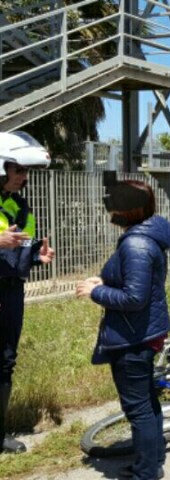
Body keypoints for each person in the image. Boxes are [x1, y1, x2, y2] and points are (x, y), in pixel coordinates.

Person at [76, 177, 170, 480]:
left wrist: (95, 293)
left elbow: (134, 297)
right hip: (143, 330)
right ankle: (152, 459)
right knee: (146, 400)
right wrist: (104, 281)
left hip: (133, 336)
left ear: (128, 210)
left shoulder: (135, 243)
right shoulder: (144, 237)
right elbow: (135, 283)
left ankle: (146, 472)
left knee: (138, 408)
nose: (109, 208)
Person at [0, 131, 55, 454]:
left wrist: (37, 256)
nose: (24, 177)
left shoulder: (20, 205)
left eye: (25, 171)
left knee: (6, 361)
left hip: (11, 292)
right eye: (18, 169)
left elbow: (22, 245)